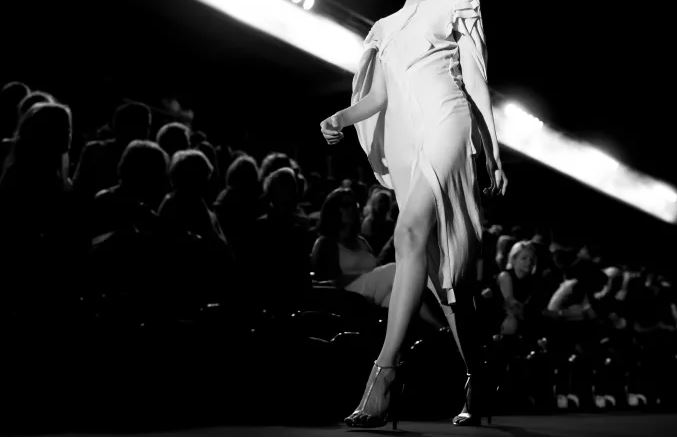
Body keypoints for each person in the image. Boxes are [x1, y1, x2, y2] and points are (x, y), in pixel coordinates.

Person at [320, 0, 507, 428]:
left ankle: (385, 372)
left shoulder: (455, 4)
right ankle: (477, 375)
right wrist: (340, 117)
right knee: (444, 278)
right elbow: (379, 96)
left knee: (407, 234)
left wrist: (492, 149)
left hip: (449, 124)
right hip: (410, 143)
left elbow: (475, 79)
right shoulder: (385, 26)